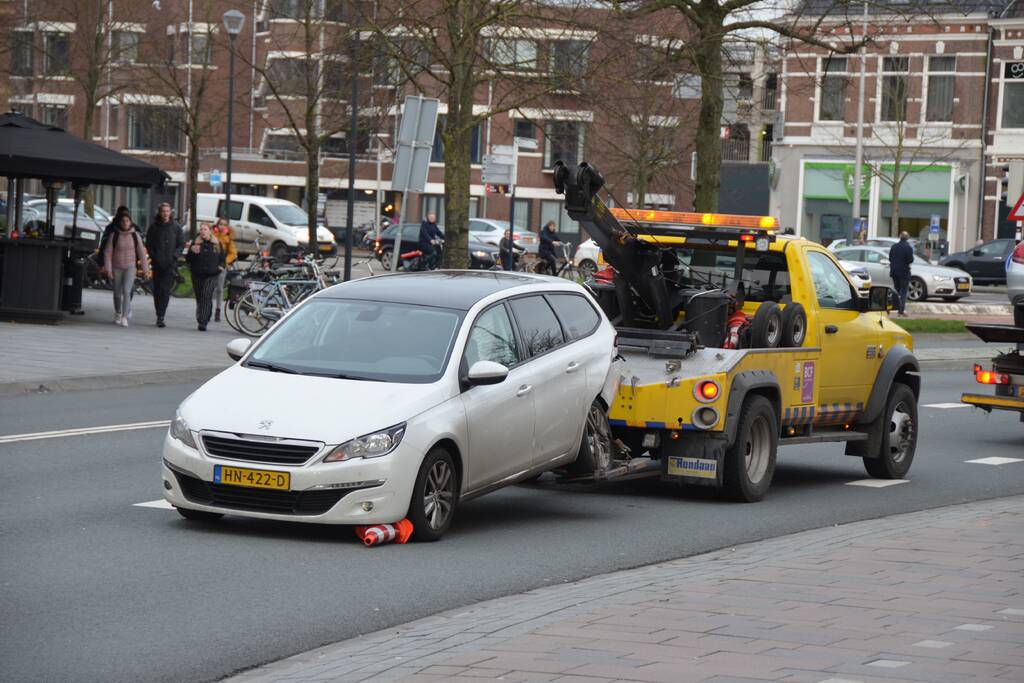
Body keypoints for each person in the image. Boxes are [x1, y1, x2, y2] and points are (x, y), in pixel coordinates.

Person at [102, 213, 150, 327]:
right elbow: (107, 253)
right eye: (123, 221)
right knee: (117, 293)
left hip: (130, 267)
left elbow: (141, 253)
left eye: (127, 221)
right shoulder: (114, 235)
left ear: (131, 222)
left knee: (127, 291)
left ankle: (124, 316)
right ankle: (118, 312)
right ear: (120, 222)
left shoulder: (135, 235)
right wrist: (108, 269)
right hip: (116, 267)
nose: (125, 223)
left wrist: (145, 270)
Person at [145, 203, 185, 328]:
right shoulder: (154, 227)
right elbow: (149, 244)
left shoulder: (176, 227)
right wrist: (153, 256)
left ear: (170, 212)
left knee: (165, 291)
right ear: (160, 212)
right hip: (157, 263)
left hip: (170, 264)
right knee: (157, 290)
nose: (166, 213)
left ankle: (161, 316)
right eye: (163, 211)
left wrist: (175, 255)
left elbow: (181, 244)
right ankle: (158, 312)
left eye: (167, 211)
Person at [186, 223, 226, 331]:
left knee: (206, 294)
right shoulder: (195, 243)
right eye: (201, 229)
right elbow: (188, 259)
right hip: (197, 274)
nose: (202, 231)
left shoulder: (217, 243)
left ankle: (202, 321)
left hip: (212, 274)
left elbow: (223, 259)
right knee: (200, 298)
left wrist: (220, 267)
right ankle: (205, 315)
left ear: (210, 231)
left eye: (205, 229)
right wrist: (192, 252)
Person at [212, 217, 238, 322]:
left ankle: (218, 310)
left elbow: (233, 253)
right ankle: (206, 308)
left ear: (227, 226)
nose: (222, 226)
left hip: (222, 265)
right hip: (210, 264)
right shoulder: (212, 234)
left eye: (224, 224)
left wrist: (225, 262)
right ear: (217, 225)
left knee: (219, 288)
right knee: (209, 288)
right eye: (220, 224)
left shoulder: (228, 237)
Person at [888, 231, 915, 317]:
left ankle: (890, 308)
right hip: (904, 273)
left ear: (900, 237)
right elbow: (910, 260)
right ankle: (901, 311)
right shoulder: (908, 248)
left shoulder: (894, 246)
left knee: (896, 291)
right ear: (907, 238)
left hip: (894, 272)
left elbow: (890, 258)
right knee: (903, 292)